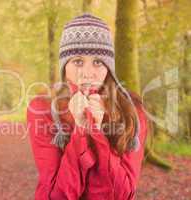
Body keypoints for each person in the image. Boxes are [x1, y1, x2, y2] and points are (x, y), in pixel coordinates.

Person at [27, 13, 150, 200]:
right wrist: (81, 130)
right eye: (78, 61)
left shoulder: (132, 111)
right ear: (64, 66)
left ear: (109, 66)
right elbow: (55, 196)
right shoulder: (43, 110)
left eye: (98, 62)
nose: (88, 73)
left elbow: (123, 194)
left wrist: (98, 132)